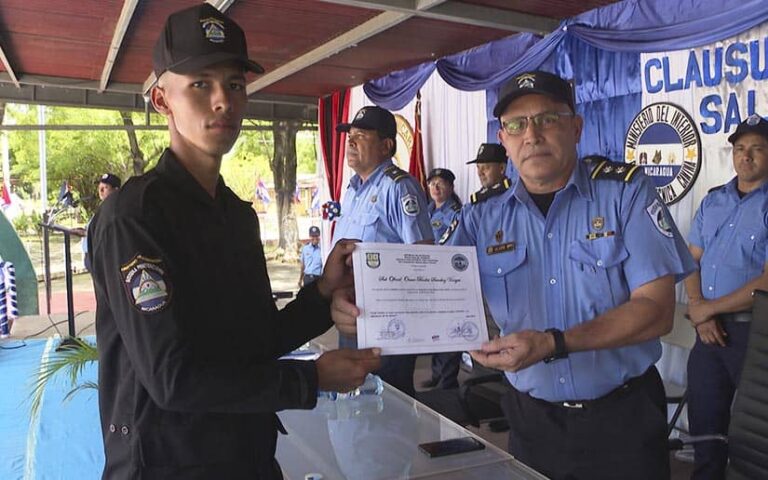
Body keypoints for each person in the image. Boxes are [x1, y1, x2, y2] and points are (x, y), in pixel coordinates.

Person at [86, 5, 380, 479]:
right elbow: (172, 379)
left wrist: (324, 294)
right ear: (162, 99)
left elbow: (257, 340)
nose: (223, 100)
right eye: (200, 84)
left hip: (247, 454)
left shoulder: (236, 216)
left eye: (235, 85)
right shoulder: (134, 218)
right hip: (168, 464)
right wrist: (311, 378)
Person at [446, 70, 695, 480]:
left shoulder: (625, 193)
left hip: (623, 420)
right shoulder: (480, 216)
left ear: (576, 128)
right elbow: (435, 287)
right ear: (504, 139)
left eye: (547, 119)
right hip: (532, 423)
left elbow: (656, 310)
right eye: (516, 125)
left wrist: (554, 343)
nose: (532, 135)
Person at [684, 113, 768, 479]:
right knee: (705, 430)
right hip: (708, 335)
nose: (745, 156)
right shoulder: (714, 201)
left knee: (756, 439)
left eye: (757, 149)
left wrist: (706, 310)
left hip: (755, 335)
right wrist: (699, 310)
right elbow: (690, 261)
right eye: (739, 148)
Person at [332, 105, 433, 396]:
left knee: (387, 403)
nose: (351, 142)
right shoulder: (352, 190)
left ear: (386, 146)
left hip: (387, 324)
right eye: (350, 136)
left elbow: (422, 257)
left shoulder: (399, 188)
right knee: (352, 400)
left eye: (361, 136)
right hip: (350, 315)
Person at [420, 167, 463, 389]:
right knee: (435, 328)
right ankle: (437, 373)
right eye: (432, 184)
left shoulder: (456, 213)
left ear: (451, 187)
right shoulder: (426, 211)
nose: (435, 188)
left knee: (450, 328)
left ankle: (448, 379)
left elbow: (451, 245)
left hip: (448, 278)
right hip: (429, 278)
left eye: (440, 183)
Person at [76, 173, 121, 271]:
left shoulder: (116, 209)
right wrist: (84, 231)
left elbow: (108, 231)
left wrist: (87, 233)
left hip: (104, 258)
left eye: (105, 188)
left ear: (116, 190)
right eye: (99, 187)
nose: (101, 191)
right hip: (92, 255)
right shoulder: (102, 208)